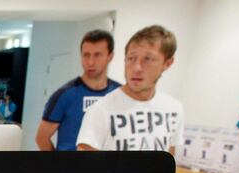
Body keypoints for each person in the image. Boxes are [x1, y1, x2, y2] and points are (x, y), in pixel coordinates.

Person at [77, 25, 183, 153]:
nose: (136, 68)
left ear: (167, 63)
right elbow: (84, 168)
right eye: (131, 58)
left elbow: (169, 159)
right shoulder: (101, 110)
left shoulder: (174, 109)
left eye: (147, 59)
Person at [35, 30, 121, 151]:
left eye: (97, 55)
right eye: (86, 55)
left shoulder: (119, 94)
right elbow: (42, 138)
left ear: (110, 56)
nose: (90, 62)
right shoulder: (64, 95)